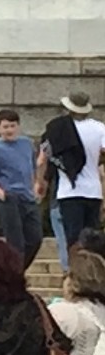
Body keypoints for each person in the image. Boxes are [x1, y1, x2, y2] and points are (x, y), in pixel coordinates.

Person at [41, 93, 105, 268]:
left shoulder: (58, 129)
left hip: (69, 191)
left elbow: (45, 157)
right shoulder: (99, 128)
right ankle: (95, 275)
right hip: (93, 191)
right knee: (94, 240)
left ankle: (75, 274)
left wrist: (41, 182)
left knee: (73, 239)